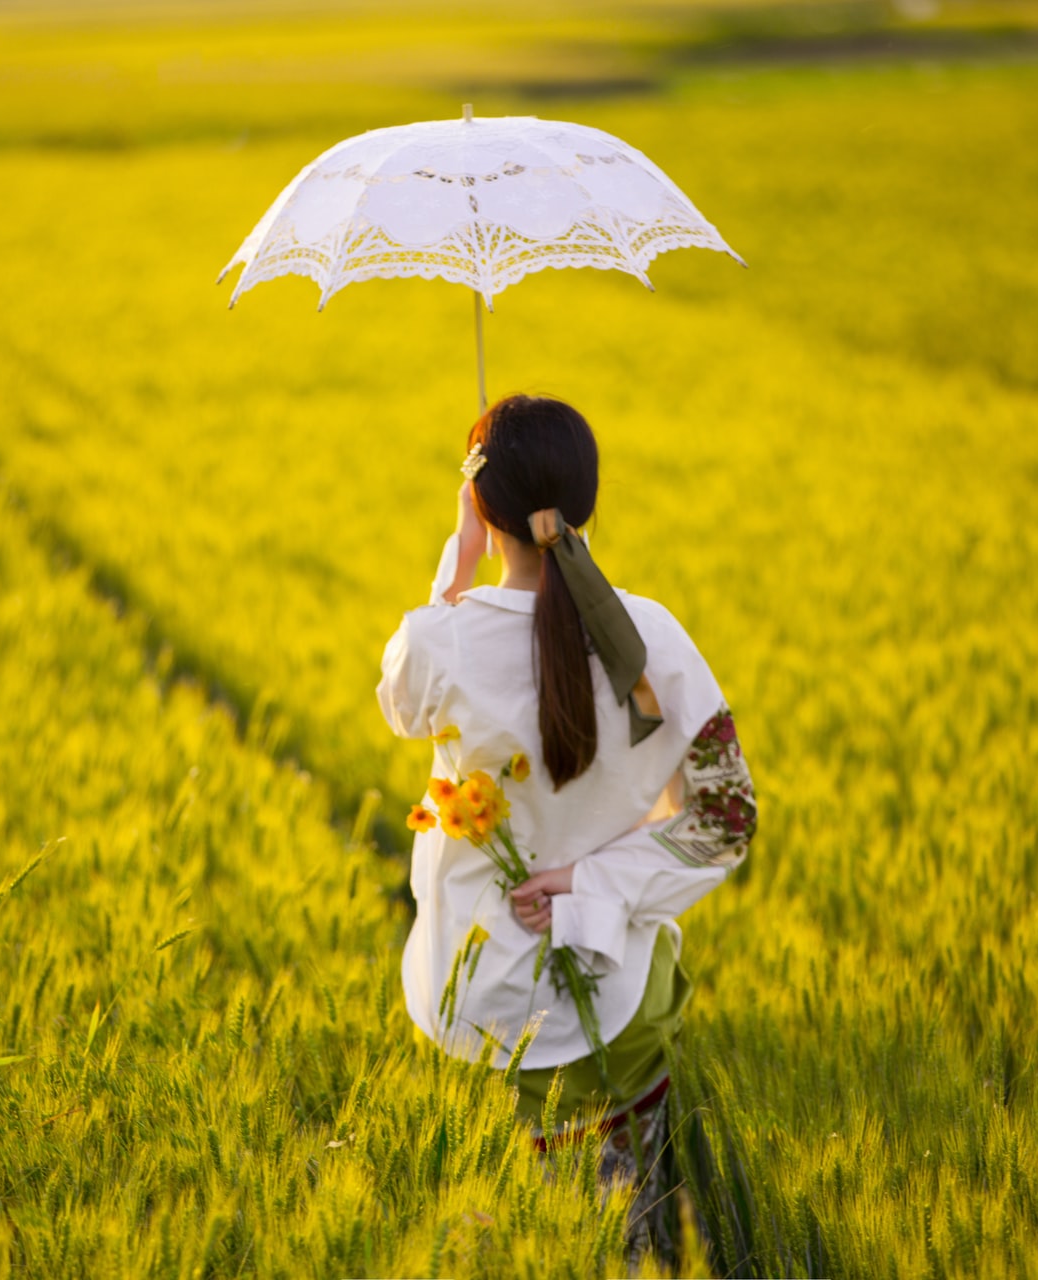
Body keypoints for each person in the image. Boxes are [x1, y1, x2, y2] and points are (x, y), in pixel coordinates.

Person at [376, 394, 758, 1268]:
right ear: (588, 500)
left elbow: (403, 700)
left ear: (481, 507)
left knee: (505, 1249)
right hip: (615, 1001)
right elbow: (728, 817)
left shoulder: (436, 642)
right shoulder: (648, 634)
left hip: (472, 1012)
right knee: (630, 1242)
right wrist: (599, 888)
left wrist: (456, 566)